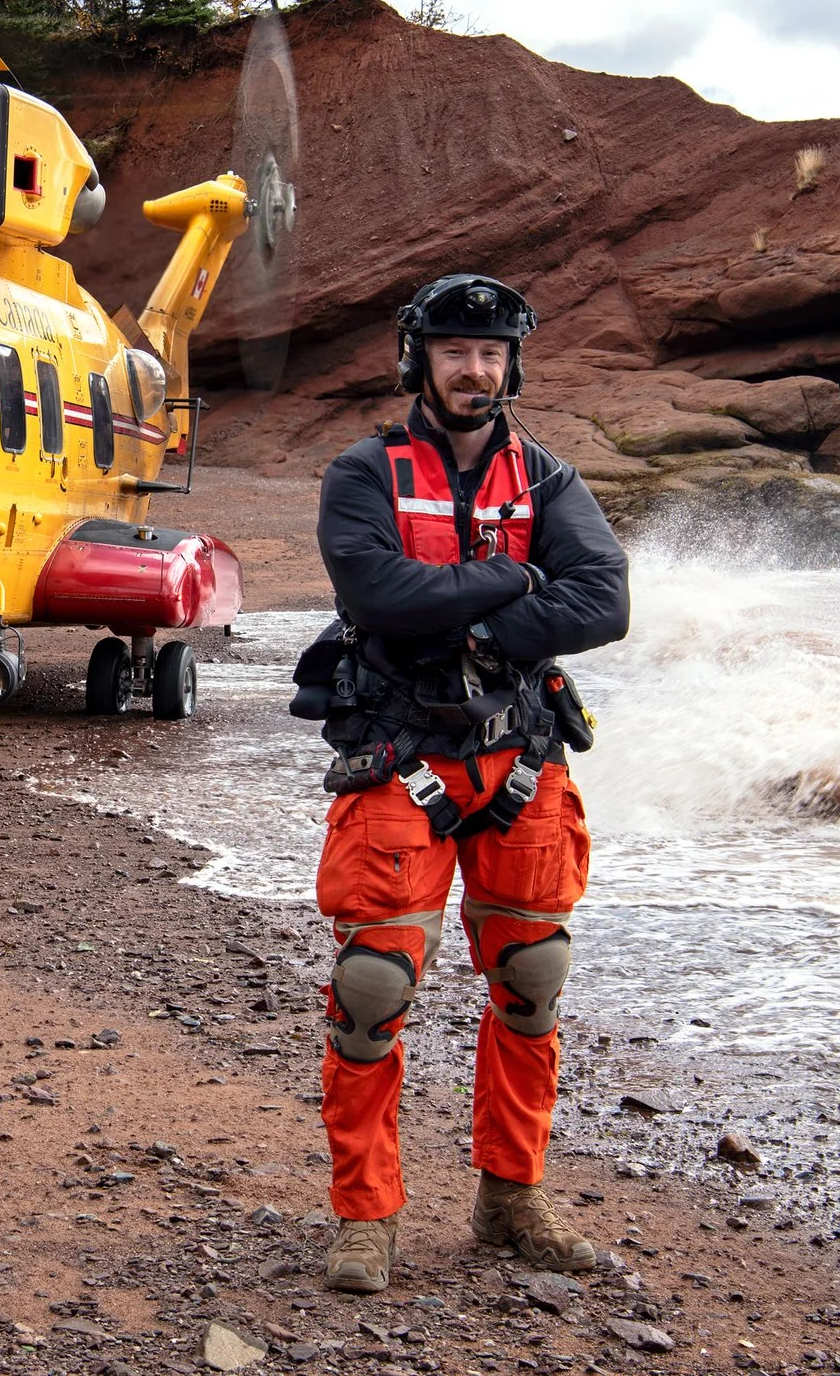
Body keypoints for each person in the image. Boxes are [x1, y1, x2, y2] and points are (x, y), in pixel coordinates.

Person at [298, 272, 630, 1294]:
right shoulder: (363, 472)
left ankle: (511, 1195)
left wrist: (469, 620)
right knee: (372, 987)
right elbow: (376, 593)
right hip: (400, 754)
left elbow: (605, 599)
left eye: (490, 353)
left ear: (511, 364)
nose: (474, 369)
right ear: (420, 359)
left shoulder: (549, 478)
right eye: (454, 351)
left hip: (523, 756)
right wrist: (517, 579)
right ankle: (366, 1216)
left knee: (532, 976)